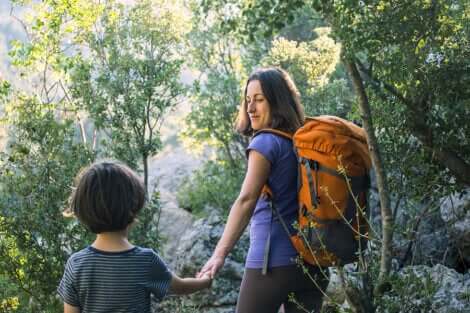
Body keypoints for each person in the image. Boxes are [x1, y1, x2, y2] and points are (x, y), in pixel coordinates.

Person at [197, 67, 329, 313]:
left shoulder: (265, 142)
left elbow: (246, 200)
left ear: (277, 101)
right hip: (314, 265)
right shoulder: (303, 143)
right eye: (248, 100)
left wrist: (219, 254)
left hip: (273, 262)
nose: (250, 108)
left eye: (259, 100)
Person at [58, 160, 211, 313]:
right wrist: (205, 281)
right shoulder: (145, 260)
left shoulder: (77, 264)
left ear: (84, 211)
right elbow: (181, 287)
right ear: (133, 208)